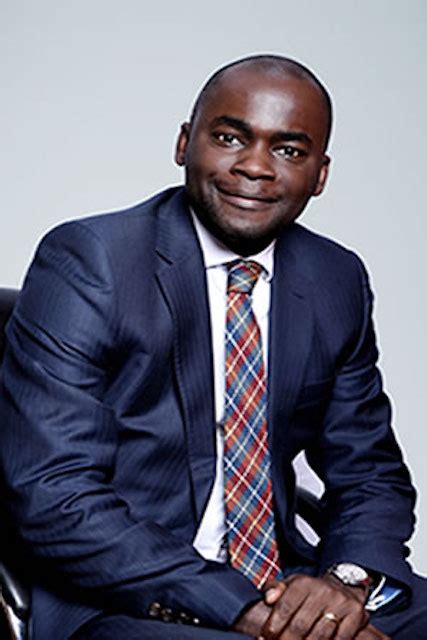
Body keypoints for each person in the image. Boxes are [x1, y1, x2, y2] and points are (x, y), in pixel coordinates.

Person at [0, 54, 426, 640]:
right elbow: (56, 494)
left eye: (288, 150)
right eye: (229, 138)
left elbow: (370, 472)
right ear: (184, 144)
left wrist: (344, 586)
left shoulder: (335, 278)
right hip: (127, 597)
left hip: (285, 579)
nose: (255, 167)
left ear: (320, 175)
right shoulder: (92, 261)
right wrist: (249, 613)